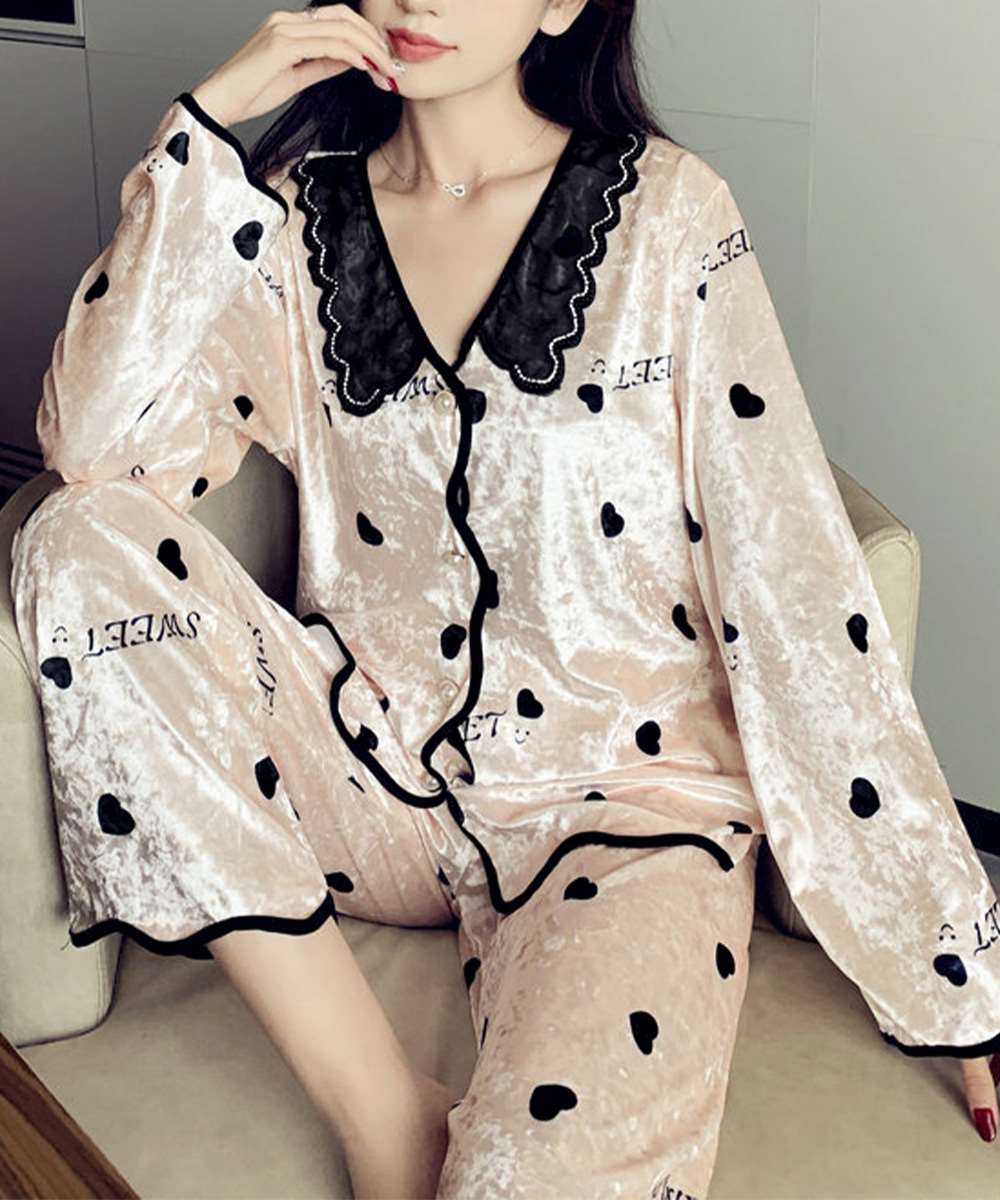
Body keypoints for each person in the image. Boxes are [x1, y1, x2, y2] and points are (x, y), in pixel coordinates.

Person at [10, 1, 999, 1196]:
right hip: (372, 783)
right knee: (78, 538)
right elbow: (94, 446)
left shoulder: (669, 218)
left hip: (626, 810)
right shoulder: (283, 217)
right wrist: (209, 126)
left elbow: (790, 572)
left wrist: (948, 958)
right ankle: (379, 1109)